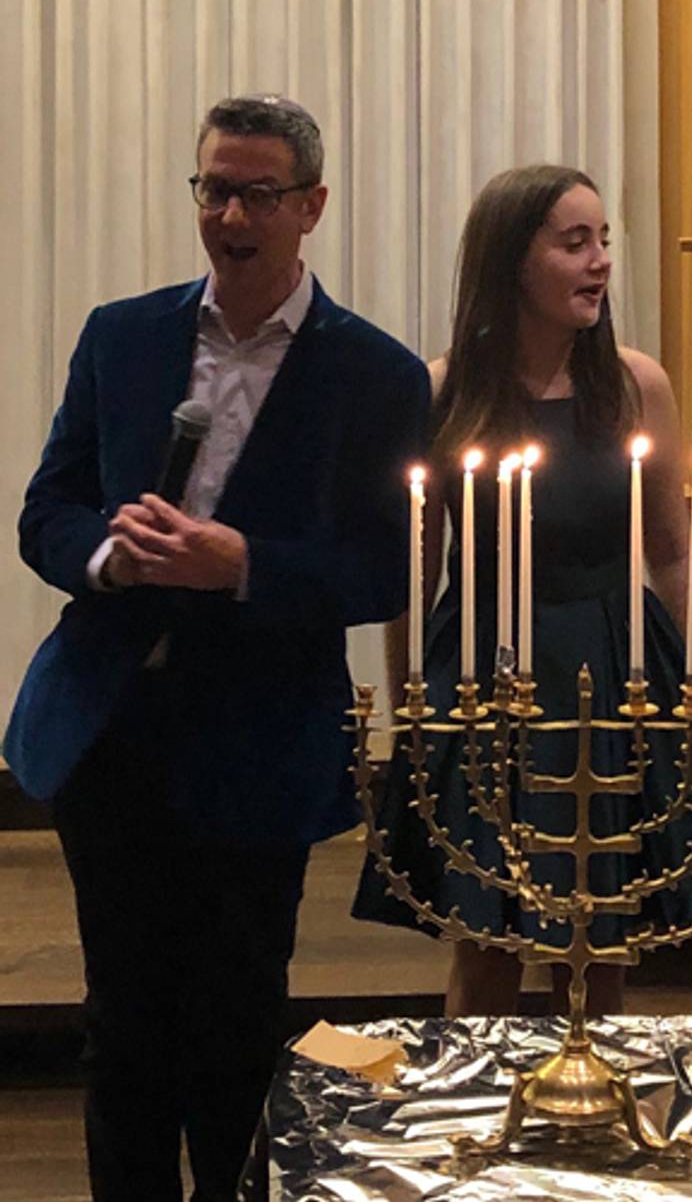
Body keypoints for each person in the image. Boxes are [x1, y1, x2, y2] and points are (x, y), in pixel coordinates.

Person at [4, 95, 429, 1200]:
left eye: (258, 193)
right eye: (213, 188)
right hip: (113, 732)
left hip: (256, 744)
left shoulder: (376, 375)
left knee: (236, 1028)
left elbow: (388, 569)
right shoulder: (124, 333)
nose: (230, 213)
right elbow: (46, 508)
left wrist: (242, 563)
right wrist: (110, 553)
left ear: (311, 208)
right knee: (125, 1027)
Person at [352, 164, 692, 1017]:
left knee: (603, 939)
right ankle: (475, 1119)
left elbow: (671, 551)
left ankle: (593, 1126)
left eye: (604, 240)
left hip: (613, 663)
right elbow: (411, 572)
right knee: (486, 935)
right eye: (574, 242)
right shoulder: (442, 389)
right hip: (488, 670)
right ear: (510, 261)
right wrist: (411, 715)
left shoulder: (638, 385)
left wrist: (676, 694)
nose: (600, 260)